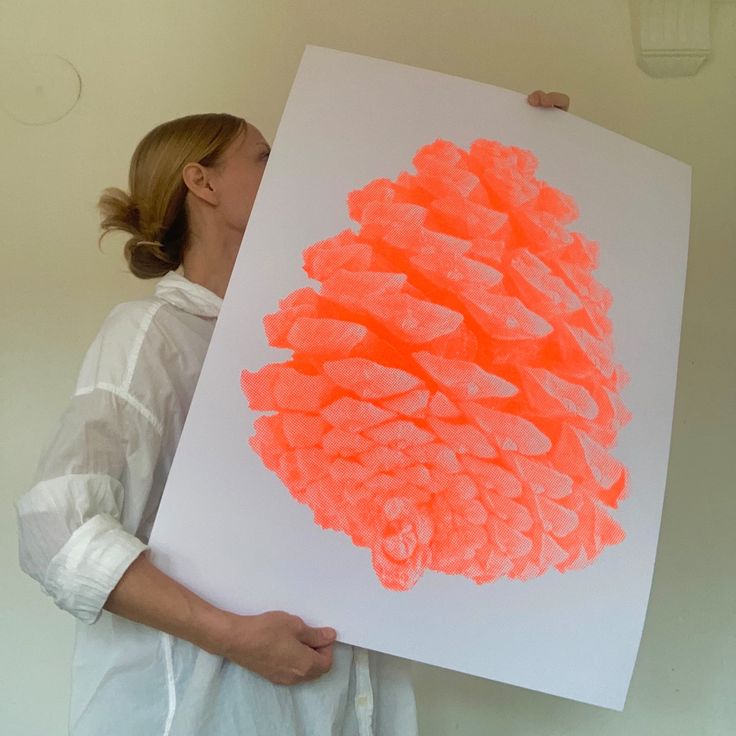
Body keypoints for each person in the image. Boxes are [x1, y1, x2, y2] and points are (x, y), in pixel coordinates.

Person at [15, 89, 570, 736]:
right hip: (206, 714)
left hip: (344, 705)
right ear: (203, 181)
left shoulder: (327, 343)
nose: (287, 165)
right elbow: (56, 530)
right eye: (264, 155)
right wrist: (231, 636)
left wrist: (532, 141)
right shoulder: (153, 337)